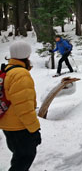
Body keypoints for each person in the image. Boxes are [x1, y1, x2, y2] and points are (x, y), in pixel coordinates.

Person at [0, 41, 41, 171]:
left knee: (19, 156)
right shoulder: (21, 74)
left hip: (7, 123)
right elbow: (24, 107)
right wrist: (34, 130)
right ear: (26, 55)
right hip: (19, 126)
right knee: (25, 157)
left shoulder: (7, 70)